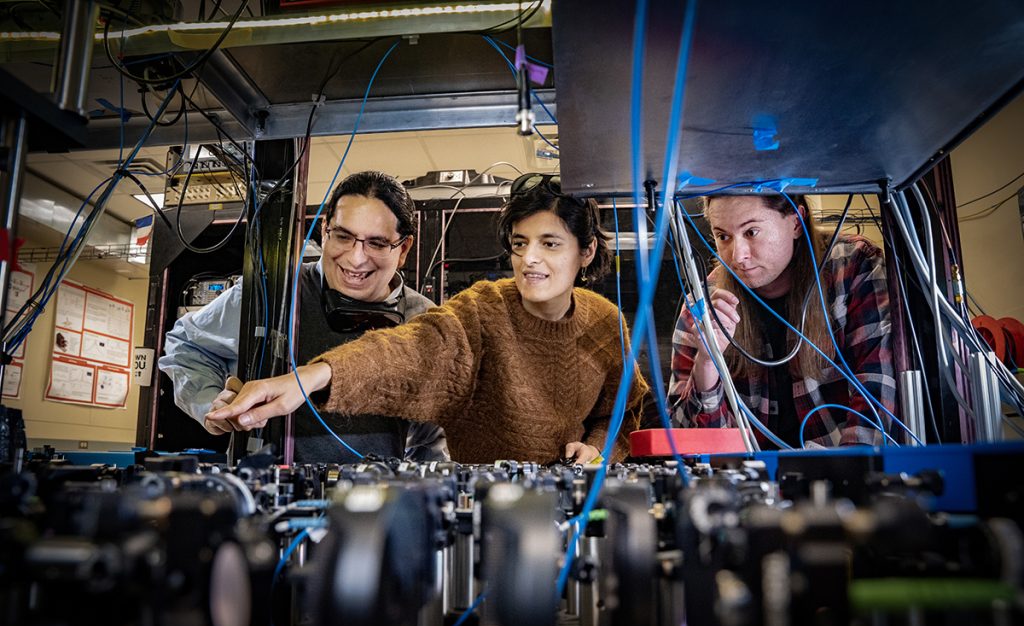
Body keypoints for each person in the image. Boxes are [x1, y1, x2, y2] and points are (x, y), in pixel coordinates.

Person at [207, 174, 649, 465]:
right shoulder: (482, 311)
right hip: (482, 514)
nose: (529, 259)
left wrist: (596, 450)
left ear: (585, 251)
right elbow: (407, 351)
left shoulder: (603, 324)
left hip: (570, 513)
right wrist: (312, 377)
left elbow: (623, 413)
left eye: (550, 243)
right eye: (520, 243)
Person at [159, 171, 447, 463]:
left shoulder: (423, 319)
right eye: (343, 236)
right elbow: (185, 346)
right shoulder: (273, 290)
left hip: (377, 498)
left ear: (404, 249)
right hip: (271, 495)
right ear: (324, 230)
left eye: (377, 243)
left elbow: (433, 434)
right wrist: (210, 402)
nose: (356, 258)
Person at [668, 194, 896, 448]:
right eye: (723, 237)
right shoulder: (705, 306)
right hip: (748, 483)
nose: (737, 255)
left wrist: (845, 474)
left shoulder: (852, 268)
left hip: (846, 478)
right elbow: (689, 445)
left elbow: (877, 393)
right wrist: (707, 365)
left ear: (796, 222)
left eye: (752, 232)